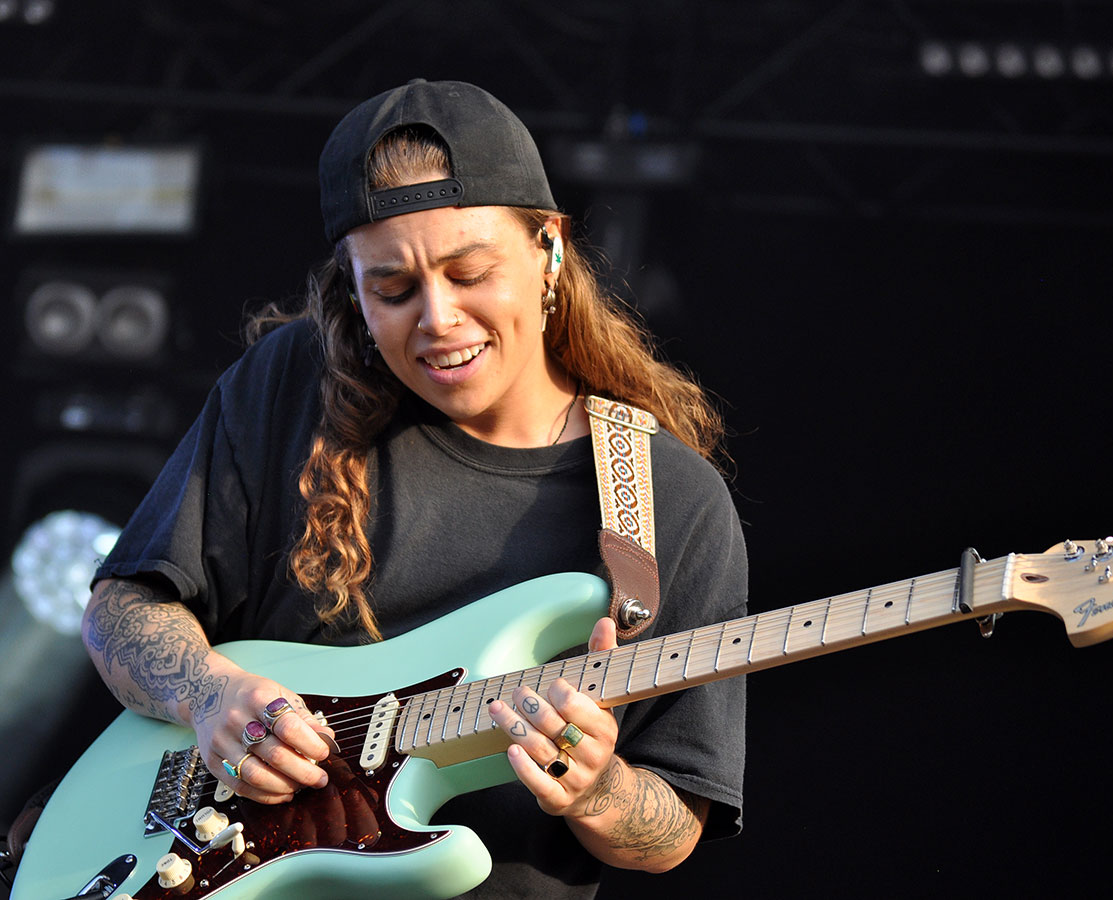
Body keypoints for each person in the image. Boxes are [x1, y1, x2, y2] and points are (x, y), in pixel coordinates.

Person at [82, 78, 747, 898]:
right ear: (353, 292)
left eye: (471, 273)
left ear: (549, 249)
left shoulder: (667, 498)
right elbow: (121, 609)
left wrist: (598, 789)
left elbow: (673, 829)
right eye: (393, 290)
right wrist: (208, 693)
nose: (438, 318)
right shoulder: (290, 385)